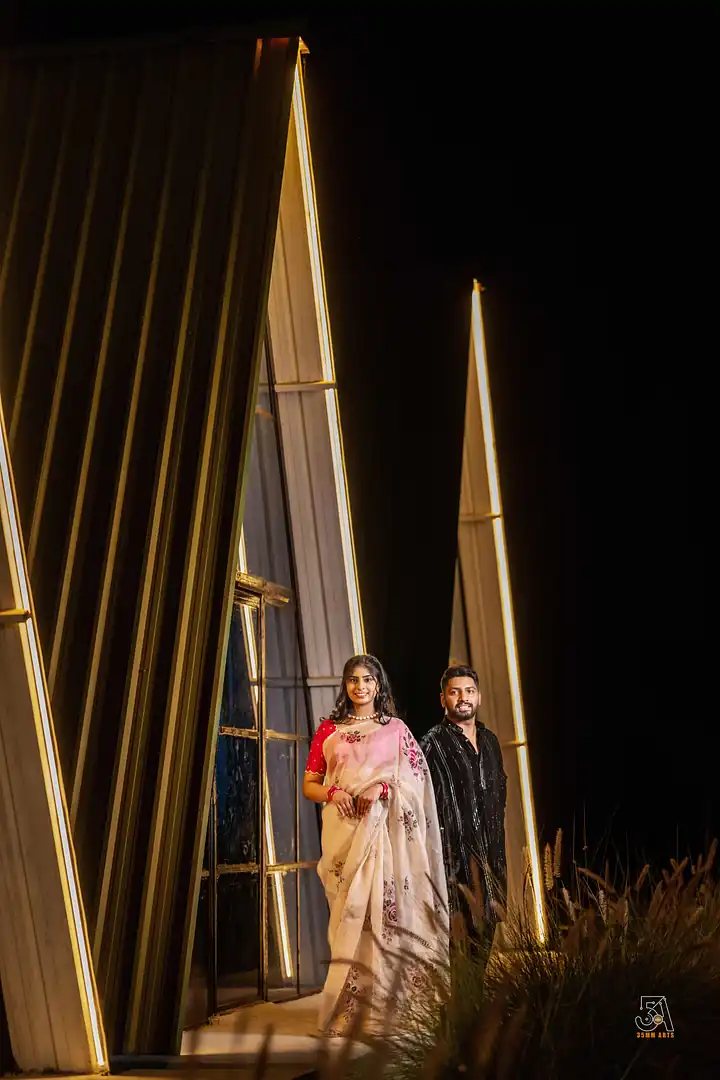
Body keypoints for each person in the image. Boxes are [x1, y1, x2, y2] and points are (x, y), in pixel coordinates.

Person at [302, 654, 449, 1036]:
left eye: (368, 679)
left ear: (379, 684)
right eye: (353, 679)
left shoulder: (396, 730)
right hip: (343, 837)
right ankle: (350, 1012)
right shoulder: (329, 730)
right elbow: (310, 784)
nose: (360, 686)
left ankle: (389, 1009)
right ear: (345, 685)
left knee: (389, 916)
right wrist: (333, 792)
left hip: (386, 834)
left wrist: (382, 787)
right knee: (347, 919)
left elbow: (416, 784)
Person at [420, 665, 507, 958]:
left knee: (483, 950)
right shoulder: (431, 744)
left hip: (493, 861)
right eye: (455, 692)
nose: (463, 698)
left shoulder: (490, 741)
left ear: (478, 696)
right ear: (443, 699)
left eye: (469, 691)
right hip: (454, 864)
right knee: (460, 953)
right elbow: (417, 800)